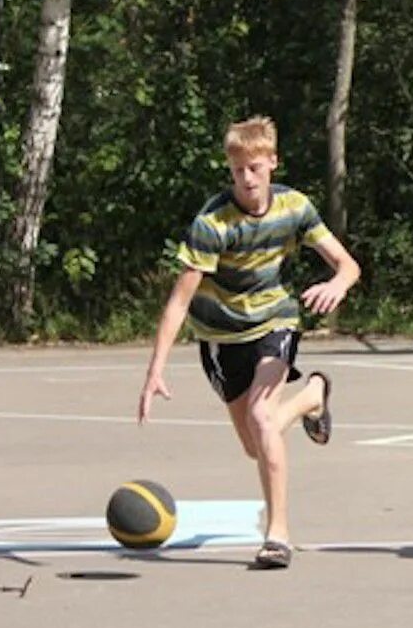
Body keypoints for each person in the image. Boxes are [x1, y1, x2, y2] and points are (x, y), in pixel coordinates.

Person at [137, 117, 360, 570]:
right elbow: (179, 302)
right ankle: (313, 395)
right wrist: (155, 369)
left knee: (262, 416)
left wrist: (339, 282)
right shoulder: (212, 224)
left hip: (274, 322)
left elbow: (348, 264)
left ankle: (277, 534)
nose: (248, 179)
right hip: (220, 337)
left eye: (256, 168)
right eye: (239, 171)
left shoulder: (295, 207)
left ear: (273, 163)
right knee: (255, 444)